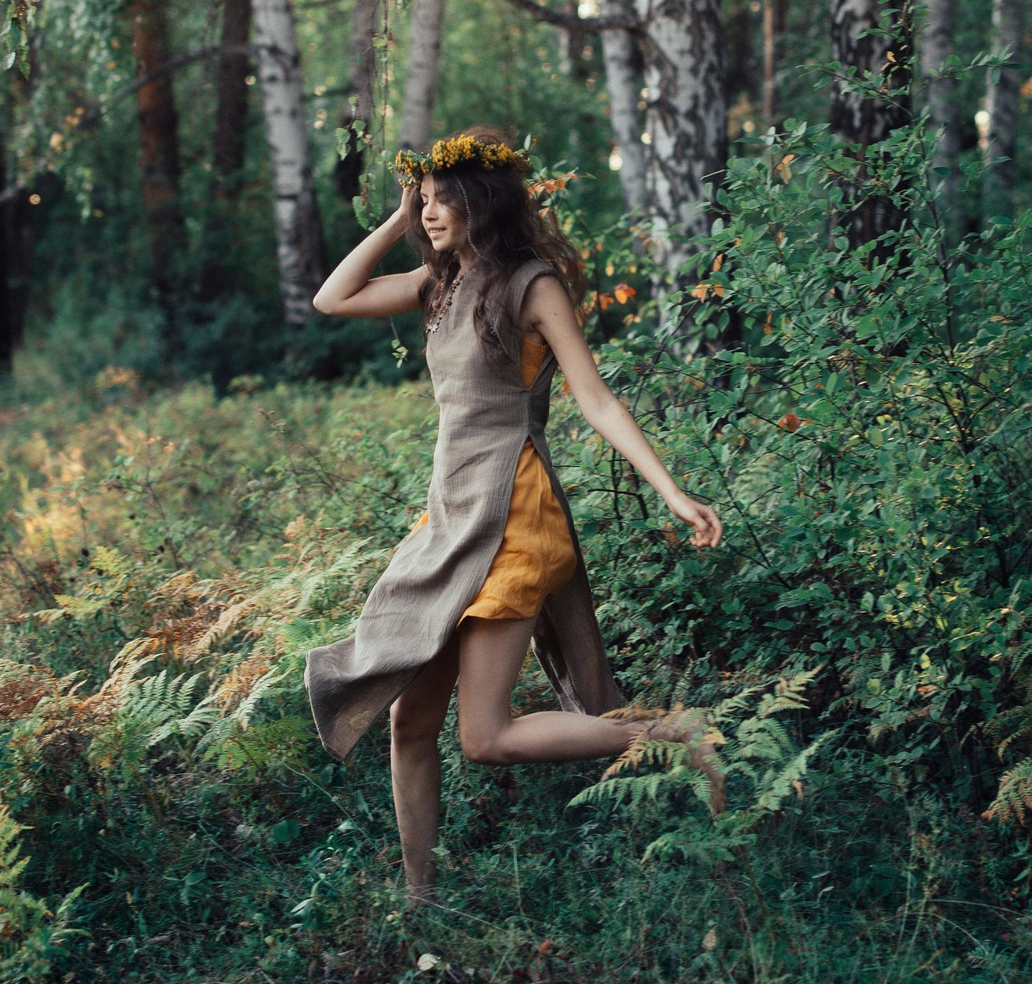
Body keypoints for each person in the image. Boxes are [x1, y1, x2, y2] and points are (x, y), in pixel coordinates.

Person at [298, 127, 722, 905]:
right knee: (409, 722)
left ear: (480, 200)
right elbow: (333, 298)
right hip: (451, 515)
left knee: (484, 738)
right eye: (421, 203)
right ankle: (421, 898)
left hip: (513, 515)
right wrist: (395, 220)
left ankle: (674, 732)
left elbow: (595, 398)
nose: (429, 216)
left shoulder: (533, 286)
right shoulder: (438, 286)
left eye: (440, 202)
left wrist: (670, 489)